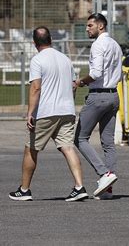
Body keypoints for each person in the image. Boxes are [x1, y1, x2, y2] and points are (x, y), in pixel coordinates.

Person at [9, 26, 88, 202]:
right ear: (51, 40)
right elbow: (74, 85)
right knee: (68, 147)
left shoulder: (37, 60)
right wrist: (69, 102)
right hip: (67, 110)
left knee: (31, 149)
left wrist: (30, 112)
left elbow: (36, 87)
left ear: (34, 42)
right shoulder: (65, 59)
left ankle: (24, 190)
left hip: (46, 112)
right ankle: (79, 186)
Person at [74, 13, 123, 200]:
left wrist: (80, 82)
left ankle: (104, 174)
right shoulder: (115, 45)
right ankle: (108, 190)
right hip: (113, 95)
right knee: (108, 142)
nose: (87, 29)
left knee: (80, 138)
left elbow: (95, 73)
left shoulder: (98, 45)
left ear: (100, 26)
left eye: (90, 26)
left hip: (98, 96)